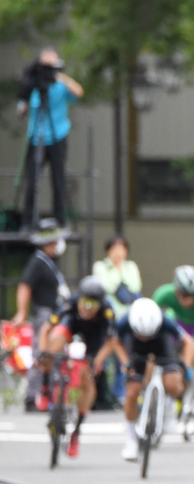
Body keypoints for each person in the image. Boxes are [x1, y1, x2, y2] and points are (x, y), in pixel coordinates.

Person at [37, 276, 122, 457]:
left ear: (100, 304)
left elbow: (111, 342)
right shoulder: (71, 303)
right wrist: (43, 352)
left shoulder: (108, 311)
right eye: (84, 302)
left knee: (88, 380)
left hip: (94, 339)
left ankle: (76, 432)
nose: (86, 308)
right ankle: (45, 387)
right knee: (53, 345)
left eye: (92, 305)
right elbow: (46, 329)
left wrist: (97, 361)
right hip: (72, 326)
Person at [116, 298, 194, 462]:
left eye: (148, 334)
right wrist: (125, 362)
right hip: (134, 347)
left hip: (161, 344)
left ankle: (169, 406)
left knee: (173, 384)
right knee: (131, 393)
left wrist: (185, 366)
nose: (145, 337)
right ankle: (131, 440)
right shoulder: (125, 321)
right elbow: (114, 341)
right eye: (142, 334)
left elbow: (187, 341)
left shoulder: (165, 321)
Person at [17, 48, 83, 228]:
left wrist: (59, 76)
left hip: (57, 136)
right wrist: (27, 91)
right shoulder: (34, 85)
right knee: (32, 180)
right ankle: (27, 221)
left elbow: (79, 92)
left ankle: (60, 220)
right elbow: (21, 108)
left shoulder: (60, 85)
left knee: (58, 179)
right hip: (36, 136)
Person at [9, 218, 71, 411]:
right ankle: (30, 396)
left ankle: (48, 395)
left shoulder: (48, 262)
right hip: (44, 314)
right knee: (40, 353)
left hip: (53, 314)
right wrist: (21, 312)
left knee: (52, 354)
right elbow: (24, 286)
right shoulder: (37, 261)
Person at [92, 235, 142, 403]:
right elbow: (105, 285)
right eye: (114, 249)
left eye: (121, 249)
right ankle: (102, 394)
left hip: (126, 319)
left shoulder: (131, 266)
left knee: (125, 356)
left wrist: (120, 274)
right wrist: (119, 277)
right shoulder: (101, 266)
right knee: (104, 357)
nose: (118, 253)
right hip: (107, 320)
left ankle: (120, 394)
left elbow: (135, 286)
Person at [152, 265, 194, 370]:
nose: (187, 300)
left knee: (191, 356)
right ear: (176, 291)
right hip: (175, 322)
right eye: (182, 295)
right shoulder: (163, 294)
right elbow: (151, 316)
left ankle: (186, 376)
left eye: (192, 295)